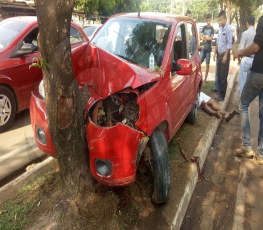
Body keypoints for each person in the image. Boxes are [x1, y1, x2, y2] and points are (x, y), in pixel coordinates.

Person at [233, 16, 263, 165]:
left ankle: (247, 146)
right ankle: (261, 153)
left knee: (243, 104)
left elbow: (256, 46)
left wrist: (239, 53)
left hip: (259, 73)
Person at [213, 10, 232, 102]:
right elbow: (218, 41)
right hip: (219, 55)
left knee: (223, 76)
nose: (219, 22)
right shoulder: (221, 29)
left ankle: (222, 95)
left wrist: (225, 56)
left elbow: (229, 43)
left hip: (225, 55)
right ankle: (221, 92)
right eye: (219, 20)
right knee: (219, 75)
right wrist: (215, 53)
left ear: (225, 18)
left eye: (220, 20)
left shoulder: (229, 28)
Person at [237, 16, 256, 99]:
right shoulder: (257, 34)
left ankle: (241, 105)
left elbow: (241, 49)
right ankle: (246, 105)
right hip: (254, 62)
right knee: (249, 85)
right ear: (254, 23)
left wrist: (239, 59)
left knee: (242, 84)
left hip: (245, 60)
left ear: (247, 23)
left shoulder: (245, 33)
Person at [200, 14, 214, 85]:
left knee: (207, 65)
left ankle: (205, 80)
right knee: (199, 63)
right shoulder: (204, 27)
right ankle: (200, 78)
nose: (208, 21)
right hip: (203, 48)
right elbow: (201, 37)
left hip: (208, 49)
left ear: (211, 20)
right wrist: (206, 37)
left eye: (209, 20)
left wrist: (205, 37)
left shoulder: (212, 28)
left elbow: (211, 38)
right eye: (207, 20)